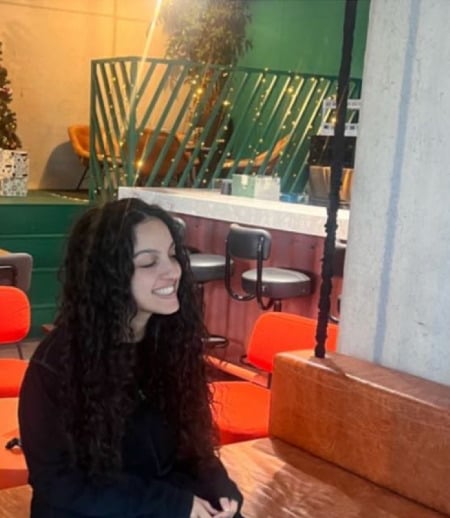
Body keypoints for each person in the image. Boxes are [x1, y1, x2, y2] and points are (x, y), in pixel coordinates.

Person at [19, 198, 243, 518]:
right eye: (148, 262)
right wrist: (173, 505)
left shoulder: (171, 342)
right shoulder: (56, 364)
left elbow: (191, 449)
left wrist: (219, 489)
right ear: (109, 275)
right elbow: (57, 482)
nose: (173, 271)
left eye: (172, 255)